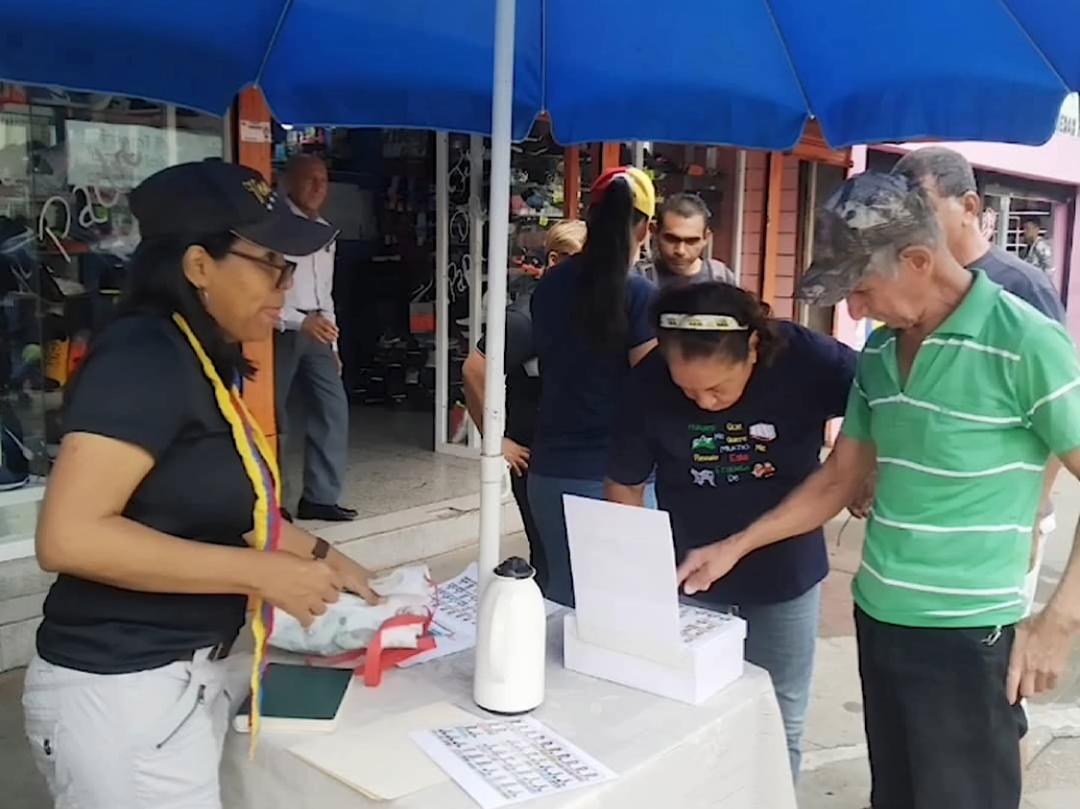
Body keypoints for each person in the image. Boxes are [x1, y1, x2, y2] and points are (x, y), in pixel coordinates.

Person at [678, 172, 1080, 809]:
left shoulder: (1026, 343)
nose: (856, 311)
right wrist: (736, 545)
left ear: (918, 261)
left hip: (968, 634)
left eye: (861, 289)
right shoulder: (881, 356)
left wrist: (1060, 620)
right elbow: (840, 477)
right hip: (881, 618)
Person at [22, 161, 379, 809]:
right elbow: (69, 535)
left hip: (180, 680)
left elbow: (226, 507)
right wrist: (260, 572)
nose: (286, 281)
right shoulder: (145, 356)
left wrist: (327, 557)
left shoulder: (201, 356)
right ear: (197, 266)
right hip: (122, 687)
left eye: (290, 264)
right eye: (270, 261)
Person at [606, 281, 855, 780]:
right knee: (689, 712)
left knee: (779, 714)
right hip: (690, 572)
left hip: (785, 566)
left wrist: (863, 465)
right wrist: (638, 577)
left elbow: (886, 401)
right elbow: (625, 486)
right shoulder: (647, 383)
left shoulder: (806, 359)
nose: (704, 402)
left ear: (754, 349)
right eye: (688, 390)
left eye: (718, 387)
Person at [892, 146, 1065, 613]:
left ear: (968, 207)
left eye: (922, 209)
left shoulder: (1022, 289)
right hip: (933, 530)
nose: (911, 226)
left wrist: (1034, 511)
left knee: (994, 665)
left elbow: (1056, 412)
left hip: (1004, 523)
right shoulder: (911, 285)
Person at [528, 166, 659, 606]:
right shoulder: (638, 295)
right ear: (646, 227)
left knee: (563, 602)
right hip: (613, 478)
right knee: (620, 613)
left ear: (588, 216)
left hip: (549, 472)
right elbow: (649, 388)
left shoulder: (549, 286)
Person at [463, 220, 587, 591]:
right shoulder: (524, 317)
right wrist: (496, 440)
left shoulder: (578, 308)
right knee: (551, 559)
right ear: (555, 259)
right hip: (533, 455)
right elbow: (473, 370)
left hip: (572, 452)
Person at [275, 154, 356, 522]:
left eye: (323, 181)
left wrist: (334, 344)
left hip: (319, 328)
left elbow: (326, 291)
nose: (317, 188)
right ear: (288, 180)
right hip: (277, 328)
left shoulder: (325, 230)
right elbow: (258, 291)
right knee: (275, 417)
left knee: (332, 408)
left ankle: (320, 497)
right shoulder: (272, 224)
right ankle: (274, 501)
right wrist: (295, 321)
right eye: (309, 179)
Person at [636, 193, 735, 288]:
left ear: (706, 238)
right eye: (671, 239)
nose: (680, 251)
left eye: (691, 241)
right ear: (654, 232)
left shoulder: (721, 278)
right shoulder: (636, 279)